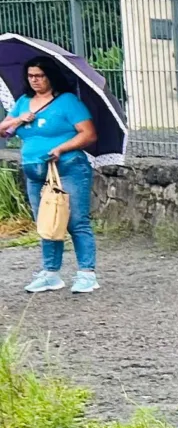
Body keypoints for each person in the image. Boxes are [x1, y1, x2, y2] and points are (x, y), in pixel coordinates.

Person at [0, 56, 99, 294]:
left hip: (68, 168)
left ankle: (86, 274)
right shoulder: (23, 102)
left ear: (50, 77)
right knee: (46, 221)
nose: (35, 80)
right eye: (31, 76)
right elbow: (4, 128)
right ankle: (50, 273)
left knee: (76, 221)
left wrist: (62, 148)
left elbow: (88, 134)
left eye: (40, 76)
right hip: (34, 170)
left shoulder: (67, 102)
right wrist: (18, 119)